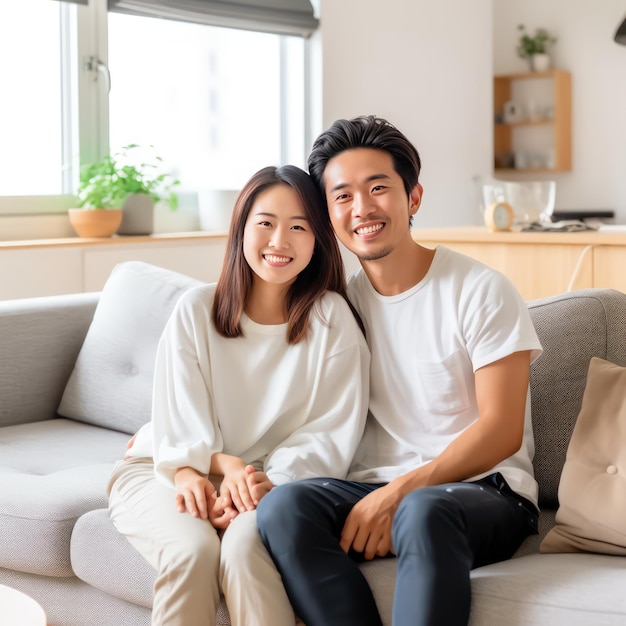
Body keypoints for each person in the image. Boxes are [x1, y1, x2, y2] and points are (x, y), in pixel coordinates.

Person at [257, 116, 543, 626]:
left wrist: (401, 492)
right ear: (328, 215)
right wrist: (168, 440)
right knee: (284, 508)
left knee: (424, 511)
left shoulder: (480, 290)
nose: (362, 208)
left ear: (413, 198)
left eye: (378, 188)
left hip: (484, 491)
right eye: (341, 196)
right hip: (374, 487)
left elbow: (500, 430)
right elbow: (268, 393)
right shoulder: (336, 306)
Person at [107, 164, 370, 626]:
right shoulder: (196, 310)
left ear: (319, 238)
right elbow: (177, 419)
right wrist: (204, 470)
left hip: (270, 485)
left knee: (245, 549)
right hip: (166, 467)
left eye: (299, 227)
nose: (279, 241)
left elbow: (329, 432)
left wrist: (255, 485)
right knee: (192, 553)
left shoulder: (332, 320)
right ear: (240, 229)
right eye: (265, 223)